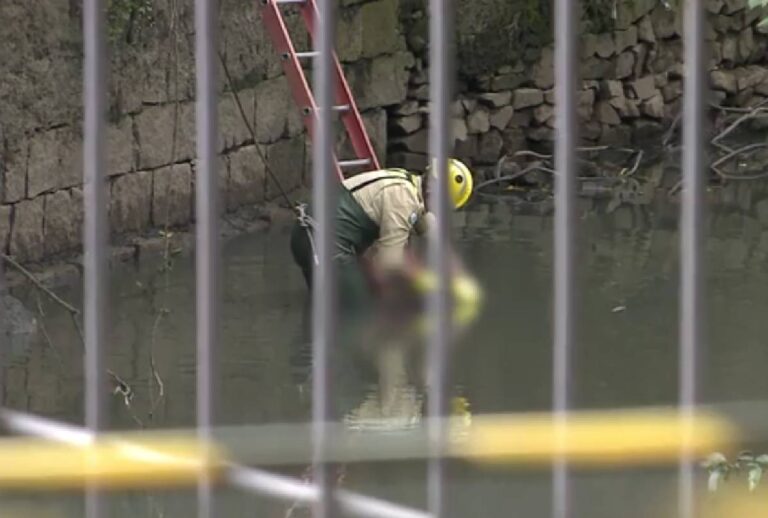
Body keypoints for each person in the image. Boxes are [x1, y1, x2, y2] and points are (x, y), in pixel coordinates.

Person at [289, 158, 474, 310]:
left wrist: (457, 274)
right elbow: (389, 262)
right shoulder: (404, 200)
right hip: (321, 245)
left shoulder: (409, 183)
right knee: (362, 307)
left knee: (323, 306)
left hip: (307, 236)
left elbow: (431, 231)